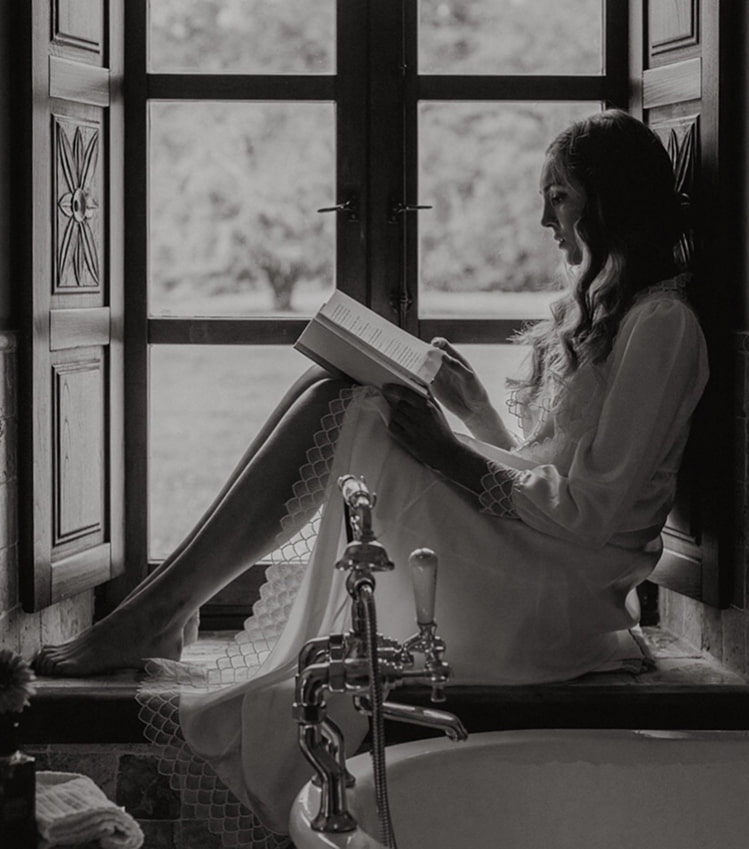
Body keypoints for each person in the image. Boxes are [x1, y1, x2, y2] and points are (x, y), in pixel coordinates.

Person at [34, 109, 709, 843]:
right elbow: (554, 476)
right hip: (540, 563)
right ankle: (161, 606)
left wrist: (451, 452)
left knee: (354, 407)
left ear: (609, 202)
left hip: (559, 605)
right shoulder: (608, 311)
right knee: (334, 388)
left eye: (559, 197)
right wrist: (477, 415)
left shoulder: (663, 326)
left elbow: (593, 513)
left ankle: (158, 611)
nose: (544, 218)